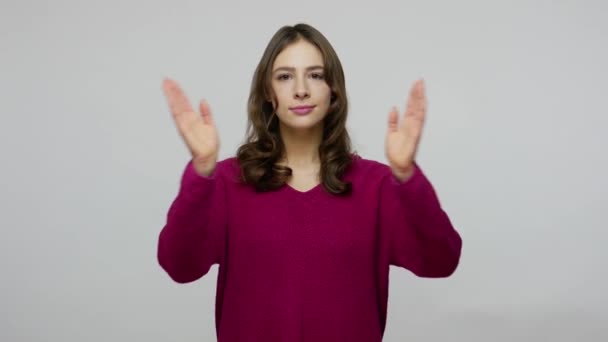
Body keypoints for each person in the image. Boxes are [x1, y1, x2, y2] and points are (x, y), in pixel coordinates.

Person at [157, 23, 462, 342]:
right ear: (267, 91)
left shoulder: (379, 186)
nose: (300, 89)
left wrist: (407, 178)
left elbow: (442, 261)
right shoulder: (226, 183)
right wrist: (201, 172)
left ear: (334, 89)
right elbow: (179, 266)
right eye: (285, 76)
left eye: (315, 75)